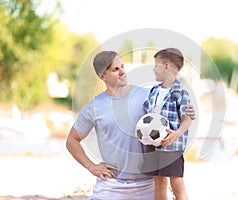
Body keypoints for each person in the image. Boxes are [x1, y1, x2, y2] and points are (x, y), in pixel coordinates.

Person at [66, 50, 196, 200]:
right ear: (102, 76)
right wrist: (92, 166)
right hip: (110, 185)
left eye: (122, 66)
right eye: (115, 69)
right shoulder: (94, 107)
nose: (122, 72)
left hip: (148, 185)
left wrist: (188, 112)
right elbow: (72, 141)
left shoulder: (149, 96)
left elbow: (175, 110)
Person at [142, 48, 191, 200]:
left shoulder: (180, 93)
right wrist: (142, 132)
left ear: (167, 66)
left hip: (171, 145)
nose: (154, 69)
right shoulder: (154, 91)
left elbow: (187, 119)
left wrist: (176, 134)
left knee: (176, 182)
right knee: (159, 181)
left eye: (156, 65)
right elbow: (146, 116)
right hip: (153, 144)